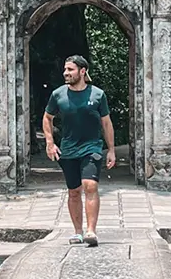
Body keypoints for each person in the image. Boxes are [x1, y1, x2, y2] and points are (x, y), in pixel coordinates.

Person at [43, 55, 116, 246]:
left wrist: (111, 150)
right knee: (74, 191)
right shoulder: (58, 95)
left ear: (82, 71)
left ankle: (91, 231)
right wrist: (50, 143)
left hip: (92, 147)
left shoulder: (98, 95)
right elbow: (47, 118)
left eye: (70, 70)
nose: (66, 73)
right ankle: (78, 232)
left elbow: (106, 123)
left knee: (90, 185)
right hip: (68, 149)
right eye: (65, 70)